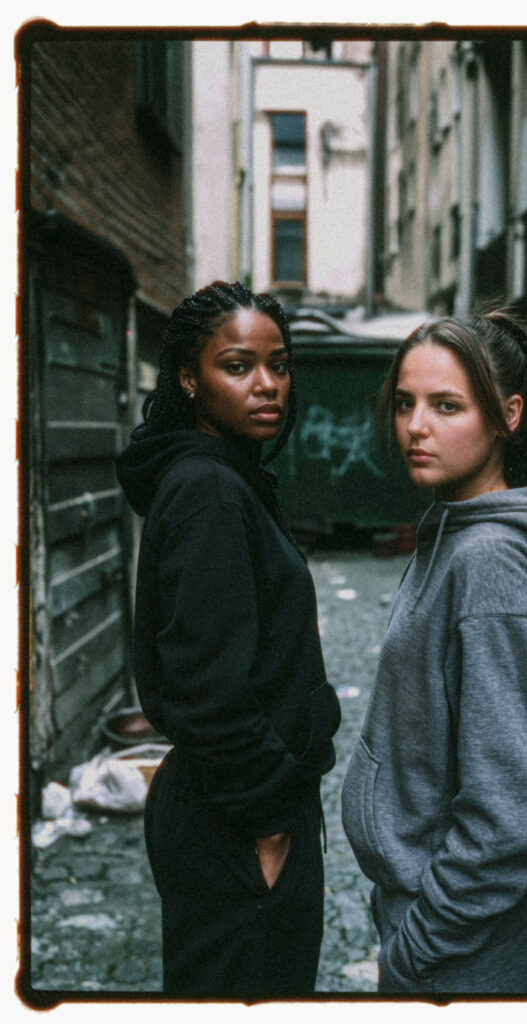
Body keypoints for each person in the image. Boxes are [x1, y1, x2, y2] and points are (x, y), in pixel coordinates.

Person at [341, 311, 527, 995]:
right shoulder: (453, 528)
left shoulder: (491, 564)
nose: (414, 426)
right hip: (427, 922)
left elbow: (510, 814)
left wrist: (415, 948)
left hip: (454, 954)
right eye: (405, 403)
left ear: (507, 415)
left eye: (446, 405)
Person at [116, 281, 341, 997]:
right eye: (238, 365)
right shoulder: (209, 491)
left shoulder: (230, 478)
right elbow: (205, 685)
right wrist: (272, 825)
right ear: (190, 378)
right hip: (237, 823)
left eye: (279, 363)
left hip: (238, 814)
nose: (268, 383)